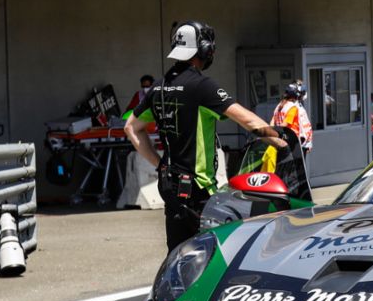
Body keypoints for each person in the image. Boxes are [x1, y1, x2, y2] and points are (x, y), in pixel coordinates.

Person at [125, 21, 287, 250]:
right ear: (203, 50)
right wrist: (282, 142)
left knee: (179, 255)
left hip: (169, 185)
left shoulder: (159, 87)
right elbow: (247, 120)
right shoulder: (201, 86)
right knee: (215, 256)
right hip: (197, 188)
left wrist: (159, 163)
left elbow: (131, 127)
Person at [271, 82, 313, 153]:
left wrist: (273, 134)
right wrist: (308, 143)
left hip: (280, 141)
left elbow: (272, 122)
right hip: (293, 142)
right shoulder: (294, 107)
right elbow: (304, 126)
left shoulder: (279, 105)